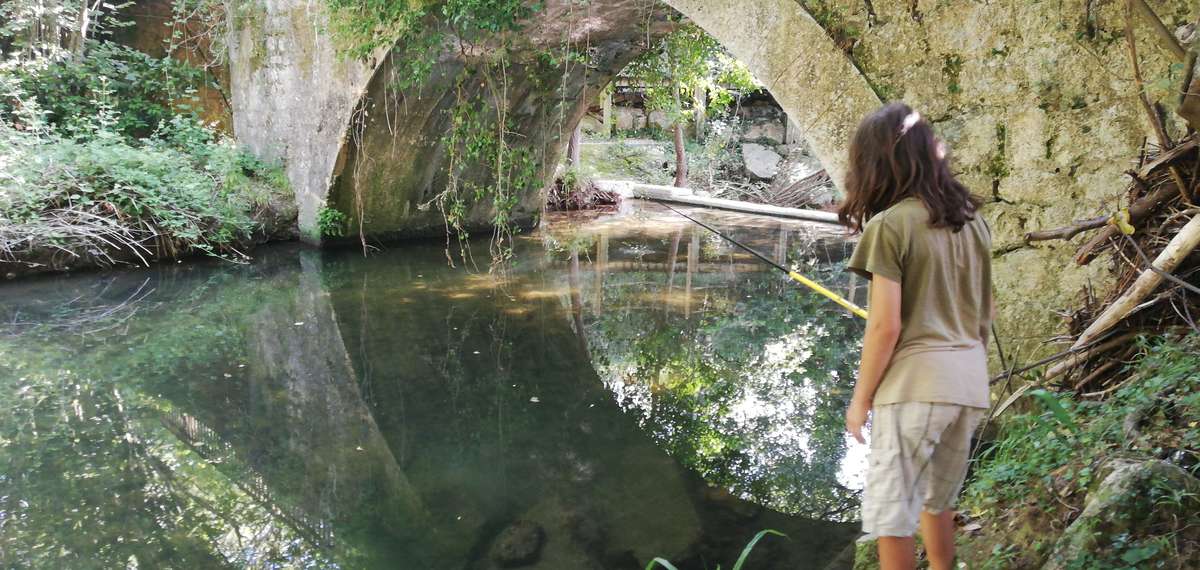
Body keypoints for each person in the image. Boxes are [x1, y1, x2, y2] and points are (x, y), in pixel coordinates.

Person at [839, 102, 993, 570]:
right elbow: (983, 316)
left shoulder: (890, 226)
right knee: (937, 501)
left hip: (913, 389)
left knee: (892, 518)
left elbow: (885, 327)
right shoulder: (972, 222)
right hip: (967, 384)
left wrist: (860, 400)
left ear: (876, 163)